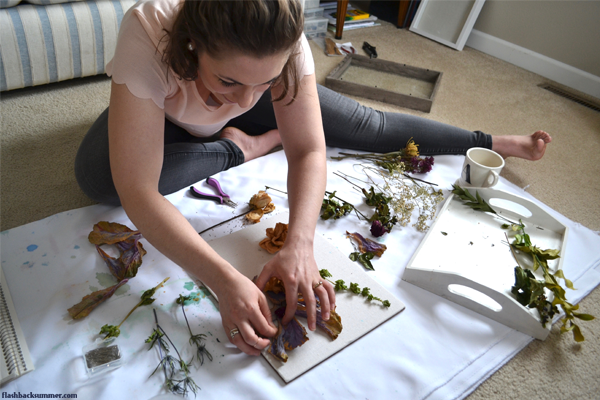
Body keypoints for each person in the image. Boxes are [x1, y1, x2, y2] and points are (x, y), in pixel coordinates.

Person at [74, 0, 551, 356]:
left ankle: (491, 139)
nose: (246, 100)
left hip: (245, 81)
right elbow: (137, 188)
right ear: (194, 45)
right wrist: (223, 279)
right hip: (167, 110)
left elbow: (307, 148)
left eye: (268, 82)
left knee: (367, 126)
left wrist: (299, 245)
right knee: (100, 179)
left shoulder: (284, 51)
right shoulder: (148, 31)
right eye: (229, 83)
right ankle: (245, 146)